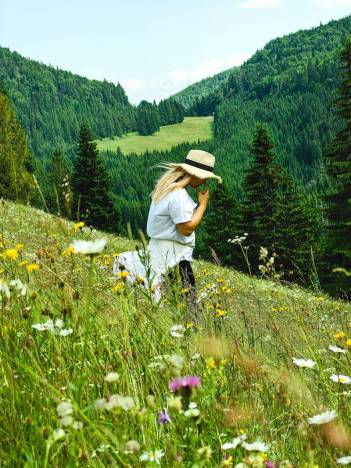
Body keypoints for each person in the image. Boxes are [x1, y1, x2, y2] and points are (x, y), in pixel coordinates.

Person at [112, 149, 222, 306]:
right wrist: (203, 205)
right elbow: (186, 229)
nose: (204, 181)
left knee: (174, 302)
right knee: (188, 306)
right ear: (195, 174)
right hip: (175, 259)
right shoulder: (179, 196)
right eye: (204, 177)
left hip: (161, 252)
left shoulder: (166, 189)